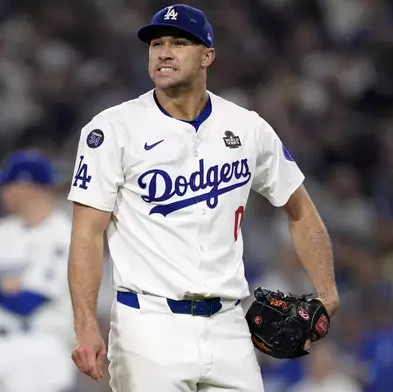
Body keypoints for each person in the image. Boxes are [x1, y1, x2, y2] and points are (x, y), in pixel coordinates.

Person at [66, 4, 340, 392]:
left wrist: (328, 293)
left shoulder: (247, 128)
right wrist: (86, 325)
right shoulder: (112, 129)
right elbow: (86, 234)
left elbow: (300, 210)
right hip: (149, 324)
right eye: (156, 43)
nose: (164, 51)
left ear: (207, 55)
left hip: (229, 325)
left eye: (179, 43)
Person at [0, 150, 77, 392]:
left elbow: (27, 301)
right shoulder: (0, 232)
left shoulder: (63, 235)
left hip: (38, 348)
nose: (1, 191)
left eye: (7, 184)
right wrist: (0, 286)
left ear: (27, 186)